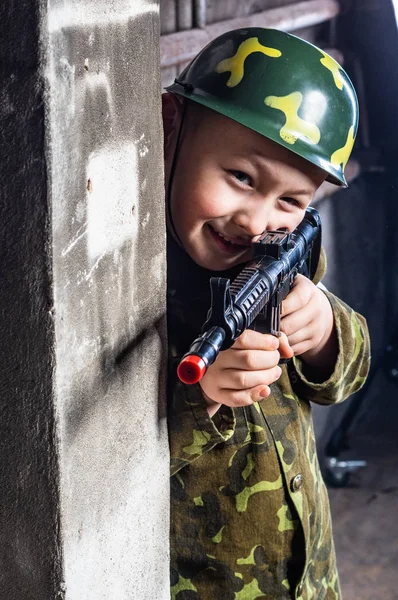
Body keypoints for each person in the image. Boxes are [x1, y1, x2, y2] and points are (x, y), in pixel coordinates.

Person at [164, 27, 370, 600]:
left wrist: (326, 329)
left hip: (311, 580)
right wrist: (200, 400)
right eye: (240, 177)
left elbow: (345, 377)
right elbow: (95, 474)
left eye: (290, 201)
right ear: (170, 125)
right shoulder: (131, 282)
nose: (256, 224)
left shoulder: (287, 255)